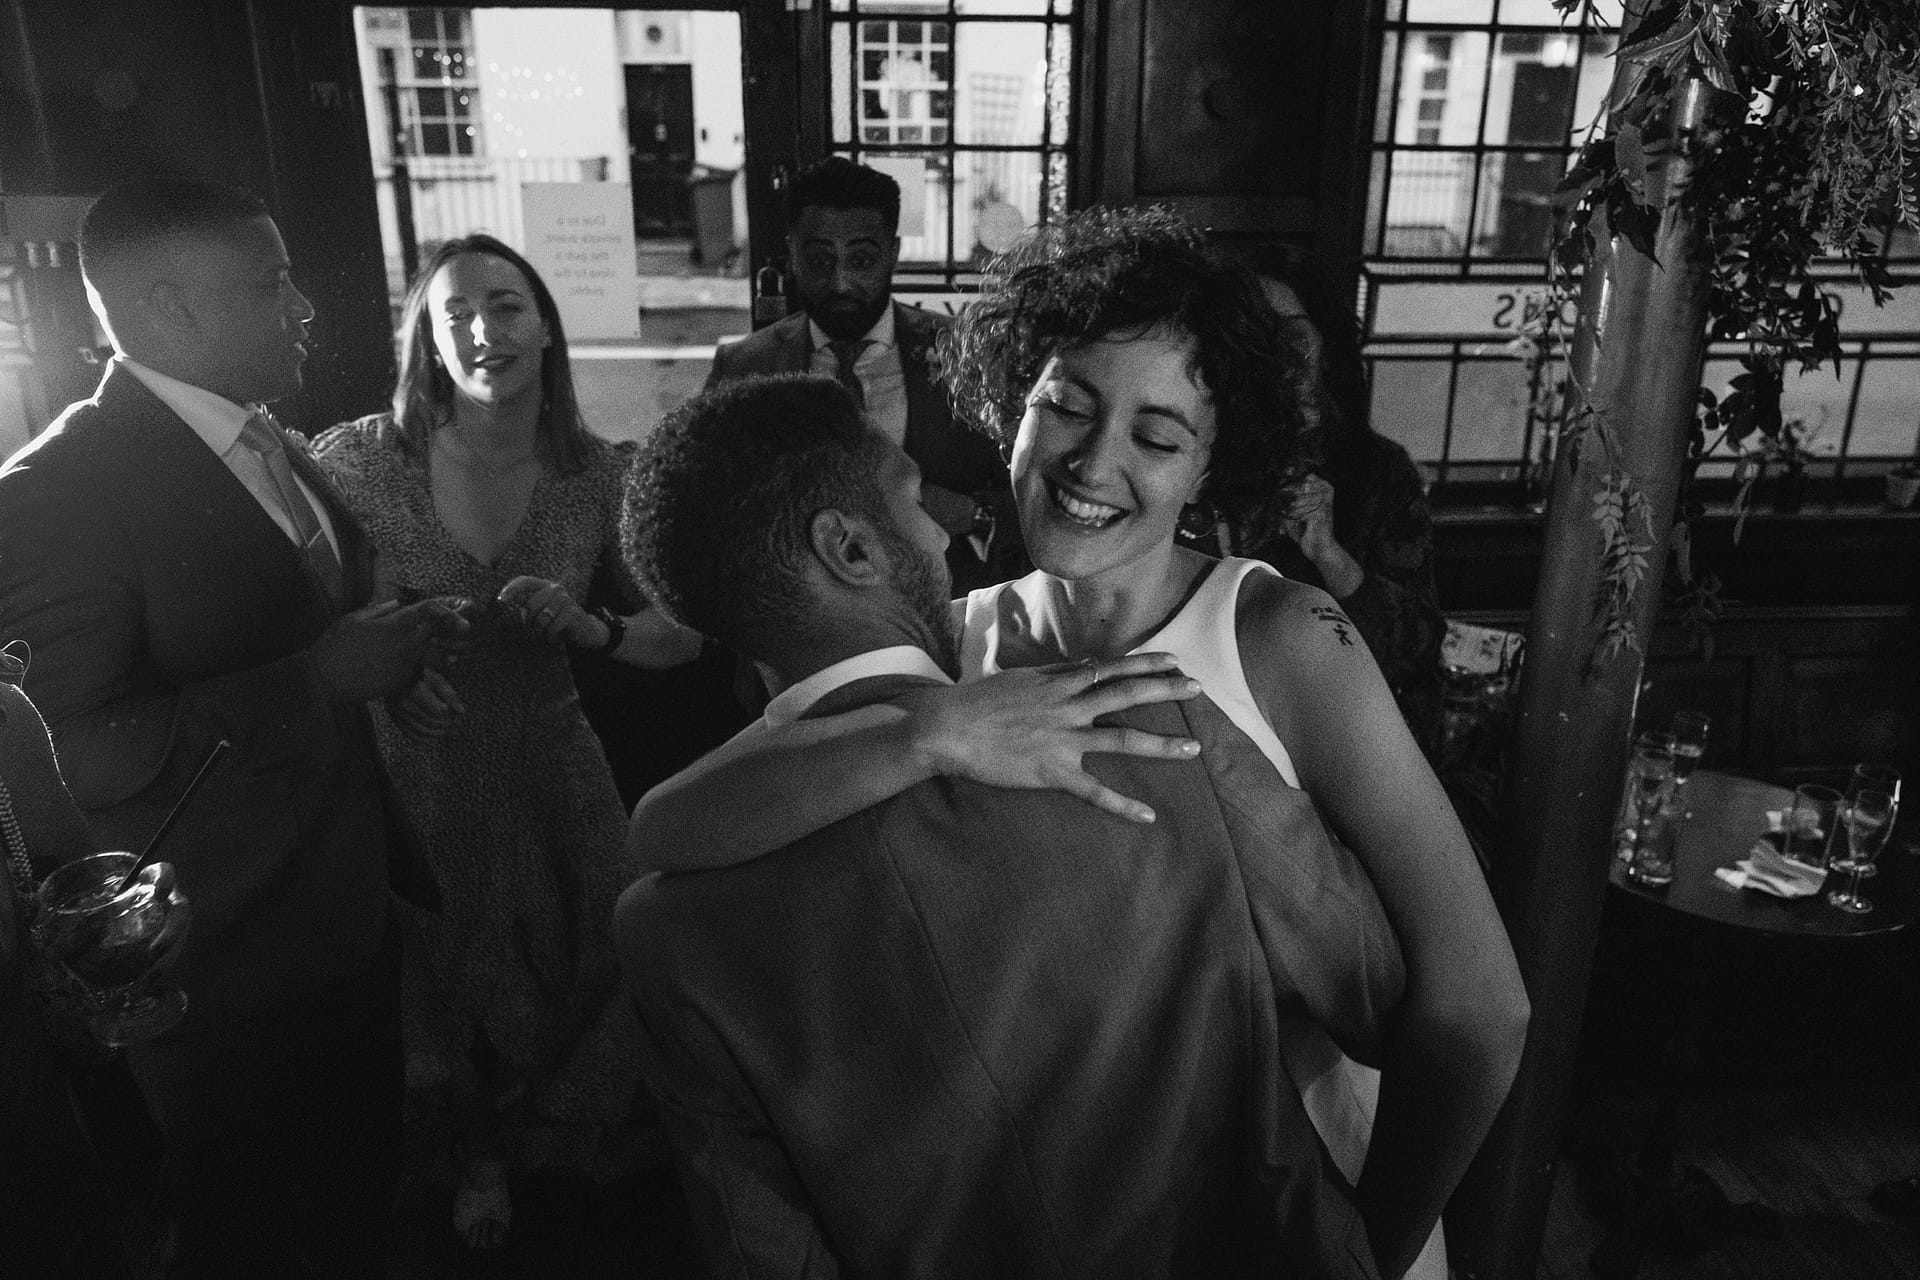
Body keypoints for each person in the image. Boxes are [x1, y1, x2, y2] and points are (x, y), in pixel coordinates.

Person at [631, 209, 1529, 1279]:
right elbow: (674, 825)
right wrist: (931, 728)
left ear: (1210, 466)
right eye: (1065, 405)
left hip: (1309, 1189)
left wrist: (1370, 1251)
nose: (1095, 463)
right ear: (1014, 405)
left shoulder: (1282, 635)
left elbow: (1481, 1006)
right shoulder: (955, 639)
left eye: (1156, 437)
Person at [0, 175, 454, 1278]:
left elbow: (302, 611)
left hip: (340, 915)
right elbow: (75, 754)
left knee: (358, 1207)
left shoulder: (263, 436)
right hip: (224, 973)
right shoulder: (57, 493)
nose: (304, 306)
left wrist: (388, 653)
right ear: (167, 309)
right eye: (272, 281)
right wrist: (320, 677)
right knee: (254, 1238)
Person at [312, 232, 702, 1252]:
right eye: (457, 315)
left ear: (547, 323)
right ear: (428, 344)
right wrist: (391, 674)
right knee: (445, 963)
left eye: (506, 306)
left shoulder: (598, 475)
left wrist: (593, 628)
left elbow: (681, 631)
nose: (484, 331)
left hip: (549, 737)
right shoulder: (357, 462)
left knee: (622, 926)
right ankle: (480, 1149)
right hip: (419, 750)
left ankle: (559, 1119)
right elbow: (301, 631)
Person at [704, 155, 1019, 593]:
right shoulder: (744, 367)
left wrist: (974, 515)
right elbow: (708, 509)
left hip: (942, 614)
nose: (841, 283)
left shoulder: (966, 351)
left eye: (862, 260)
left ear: (892, 253)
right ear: (792, 253)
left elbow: (1029, 498)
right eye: (819, 260)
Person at [1229, 245, 1445, 759]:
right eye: (1254, 338)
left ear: (1323, 346)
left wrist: (1329, 554)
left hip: (1353, 743)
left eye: (1293, 336)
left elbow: (1415, 648)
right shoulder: (1199, 462)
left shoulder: (1377, 470)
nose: (1277, 356)